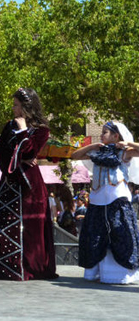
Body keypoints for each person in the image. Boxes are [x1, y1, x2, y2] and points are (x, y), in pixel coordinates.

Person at [0, 88, 57, 281]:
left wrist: (22, 132)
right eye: (13, 105)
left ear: (27, 107)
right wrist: (16, 159)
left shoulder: (42, 129)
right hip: (9, 180)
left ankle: (29, 267)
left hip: (30, 186)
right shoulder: (8, 126)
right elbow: (0, 152)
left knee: (30, 226)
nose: (13, 109)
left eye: (17, 105)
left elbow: (30, 152)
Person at [71, 121, 139, 284]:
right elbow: (74, 156)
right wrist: (92, 146)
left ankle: (121, 274)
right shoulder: (97, 153)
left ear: (116, 136)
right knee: (95, 236)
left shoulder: (124, 152)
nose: (101, 135)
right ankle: (96, 271)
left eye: (105, 132)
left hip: (117, 199)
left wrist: (128, 143)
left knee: (120, 233)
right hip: (97, 201)